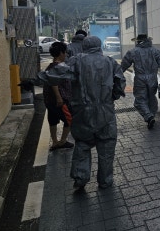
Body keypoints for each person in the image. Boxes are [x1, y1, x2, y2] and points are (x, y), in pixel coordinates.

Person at [47, 36, 126, 189]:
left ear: (85, 46)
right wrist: (113, 96)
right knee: (106, 147)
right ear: (99, 45)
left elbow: (55, 73)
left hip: (83, 113)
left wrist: (36, 79)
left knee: (82, 145)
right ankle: (105, 180)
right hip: (106, 112)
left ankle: (80, 178)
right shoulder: (110, 62)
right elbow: (120, 82)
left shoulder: (76, 61)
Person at [121, 34, 160, 129]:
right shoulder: (155, 51)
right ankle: (152, 115)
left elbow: (124, 65)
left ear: (138, 41)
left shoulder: (132, 52)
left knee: (140, 100)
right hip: (152, 78)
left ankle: (149, 116)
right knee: (151, 98)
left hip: (140, 79)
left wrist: (117, 74)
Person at [42, 42, 74, 150]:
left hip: (50, 100)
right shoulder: (58, 67)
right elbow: (53, 82)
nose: (65, 55)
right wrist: (59, 97)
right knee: (69, 119)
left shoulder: (50, 66)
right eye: (65, 52)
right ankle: (62, 141)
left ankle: (55, 142)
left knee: (53, 119)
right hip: (60, 99)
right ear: (61, 53)